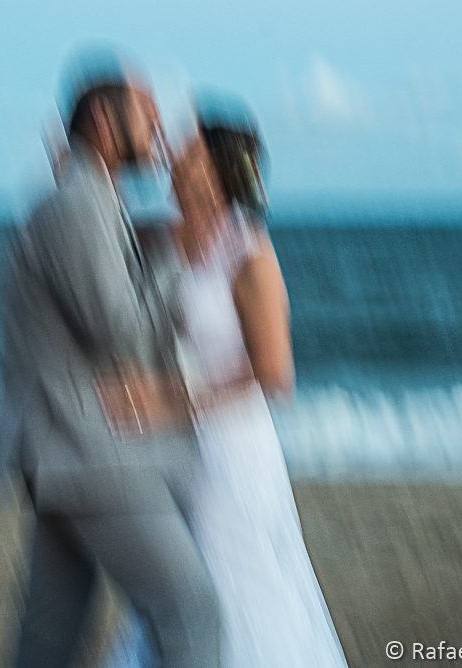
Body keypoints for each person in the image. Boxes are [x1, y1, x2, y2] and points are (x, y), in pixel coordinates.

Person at [0, 50, 220, 668]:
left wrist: (169, 231)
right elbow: (121, 335)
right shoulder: (79, 204)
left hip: (62, 450)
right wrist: (178, 249)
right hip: (88, 450)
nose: (159, 131)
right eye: (146, 114)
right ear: (103, 118)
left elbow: (115, 264)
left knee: (49, 640)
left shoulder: (91, 201)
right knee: (191, 612)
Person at [99, 95, 348, 667]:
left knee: (231, 589)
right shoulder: (162, 235)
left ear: (213, 166)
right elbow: (96, 230)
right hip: (171, 452)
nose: (172, 153)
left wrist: (161, 399)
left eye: (185, 147)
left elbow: (274, 375)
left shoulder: (248, 251)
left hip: (231, 457)